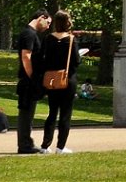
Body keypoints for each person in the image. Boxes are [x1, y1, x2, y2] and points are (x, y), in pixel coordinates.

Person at [39, 9, 82, 154]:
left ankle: (45, 145)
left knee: (52, 113)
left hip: (52, 79)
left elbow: (43, 60)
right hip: (67, 80)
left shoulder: (48, 39)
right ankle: (61, 146)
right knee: (65, 114)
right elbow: (76, 61)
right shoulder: (71, 40)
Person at [15, 8, 51, 154]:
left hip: (29, 79)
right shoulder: (29, 34)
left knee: (28, 113)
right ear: (41, 17)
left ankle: (26, 143)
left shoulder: (29, 33)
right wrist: (33, 78)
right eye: (47, 22)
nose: (48, 27)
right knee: (26, 113)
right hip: (28, 80)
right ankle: (24, 145)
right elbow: (26, 57)